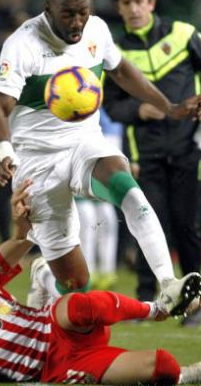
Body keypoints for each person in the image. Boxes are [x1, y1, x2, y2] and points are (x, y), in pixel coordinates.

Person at [0, 0, 201, 316]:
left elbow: (120, 70)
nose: (77, 22)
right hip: (36, 160)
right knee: (77, 285)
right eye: (67, 14)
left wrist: (169, 106)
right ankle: (44, 275)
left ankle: (168, 284)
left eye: (83, 12)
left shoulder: (97, 30)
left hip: (84, 142)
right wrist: (4, 152)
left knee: (129, 189)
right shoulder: (22, 44)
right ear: (48, 8)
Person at [0, 180, 201, 384]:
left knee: (79, 303)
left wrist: (22, 222)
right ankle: (181, 378)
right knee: (163, 364)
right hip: (52, 369)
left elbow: (19, 241)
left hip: (55, 326)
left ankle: (158, 308)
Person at [102, 0, 201, 326]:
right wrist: (138, 110)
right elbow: (111, 105)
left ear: (152, 3)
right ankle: (147, 303)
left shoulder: (183, 34)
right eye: (126, 4)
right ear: (119, 8)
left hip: (188, 148)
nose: (134, 9)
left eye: (139, 2)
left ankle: (194, 305)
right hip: (145, 154)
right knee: (147, 223)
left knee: (186, 226)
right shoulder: (114, 51)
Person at [76, 108, 123, 290]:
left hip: (88, 132)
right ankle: (106, 271)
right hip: (110, 133)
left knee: (87, 209)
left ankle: (90, 271)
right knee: (103, 207)